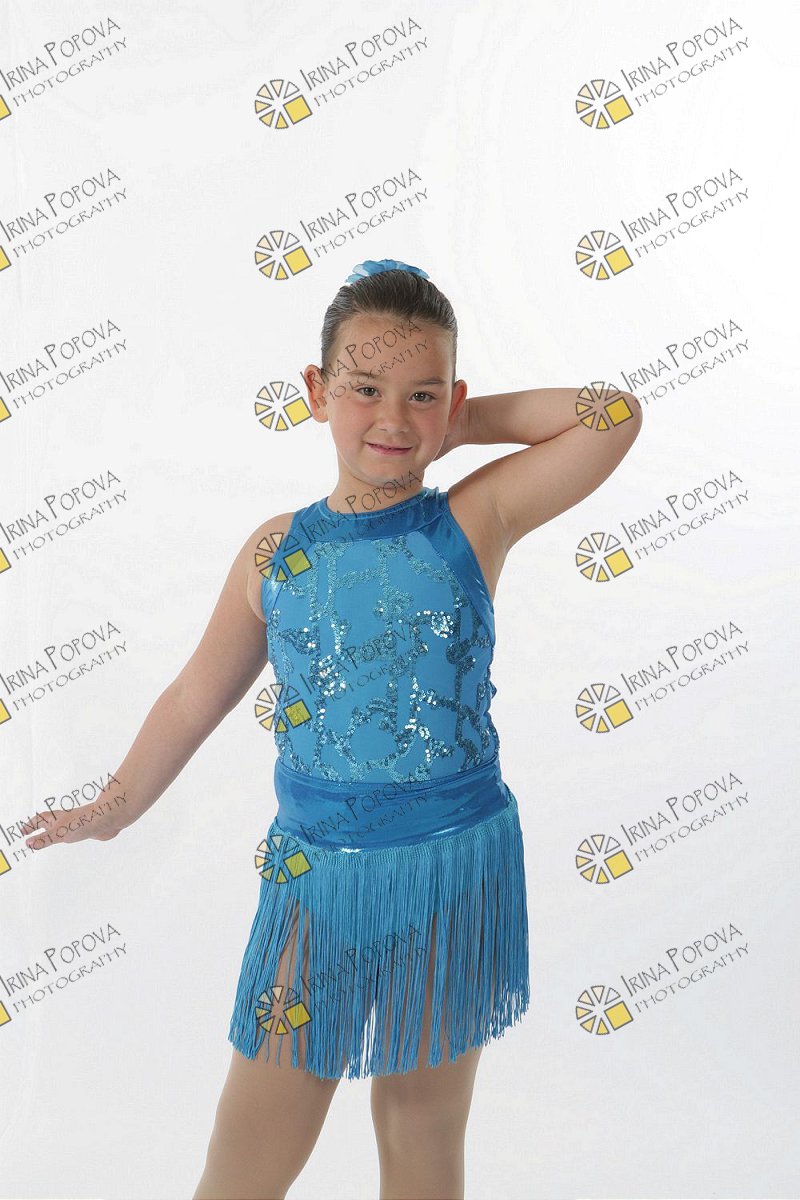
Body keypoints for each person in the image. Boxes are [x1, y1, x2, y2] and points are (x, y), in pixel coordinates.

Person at [22, 258, 643, 1199]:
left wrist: (458, 425)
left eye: (421, 395)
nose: (392, 419)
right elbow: (196, 694)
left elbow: (613, 415)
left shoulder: (473, 518)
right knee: (252, 1144)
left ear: (452, 401)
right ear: (316, 392)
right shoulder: (278, 551)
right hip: (316, 873)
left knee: (421, 1130)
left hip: (449, 864)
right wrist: (118, 804)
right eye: (365, 389)